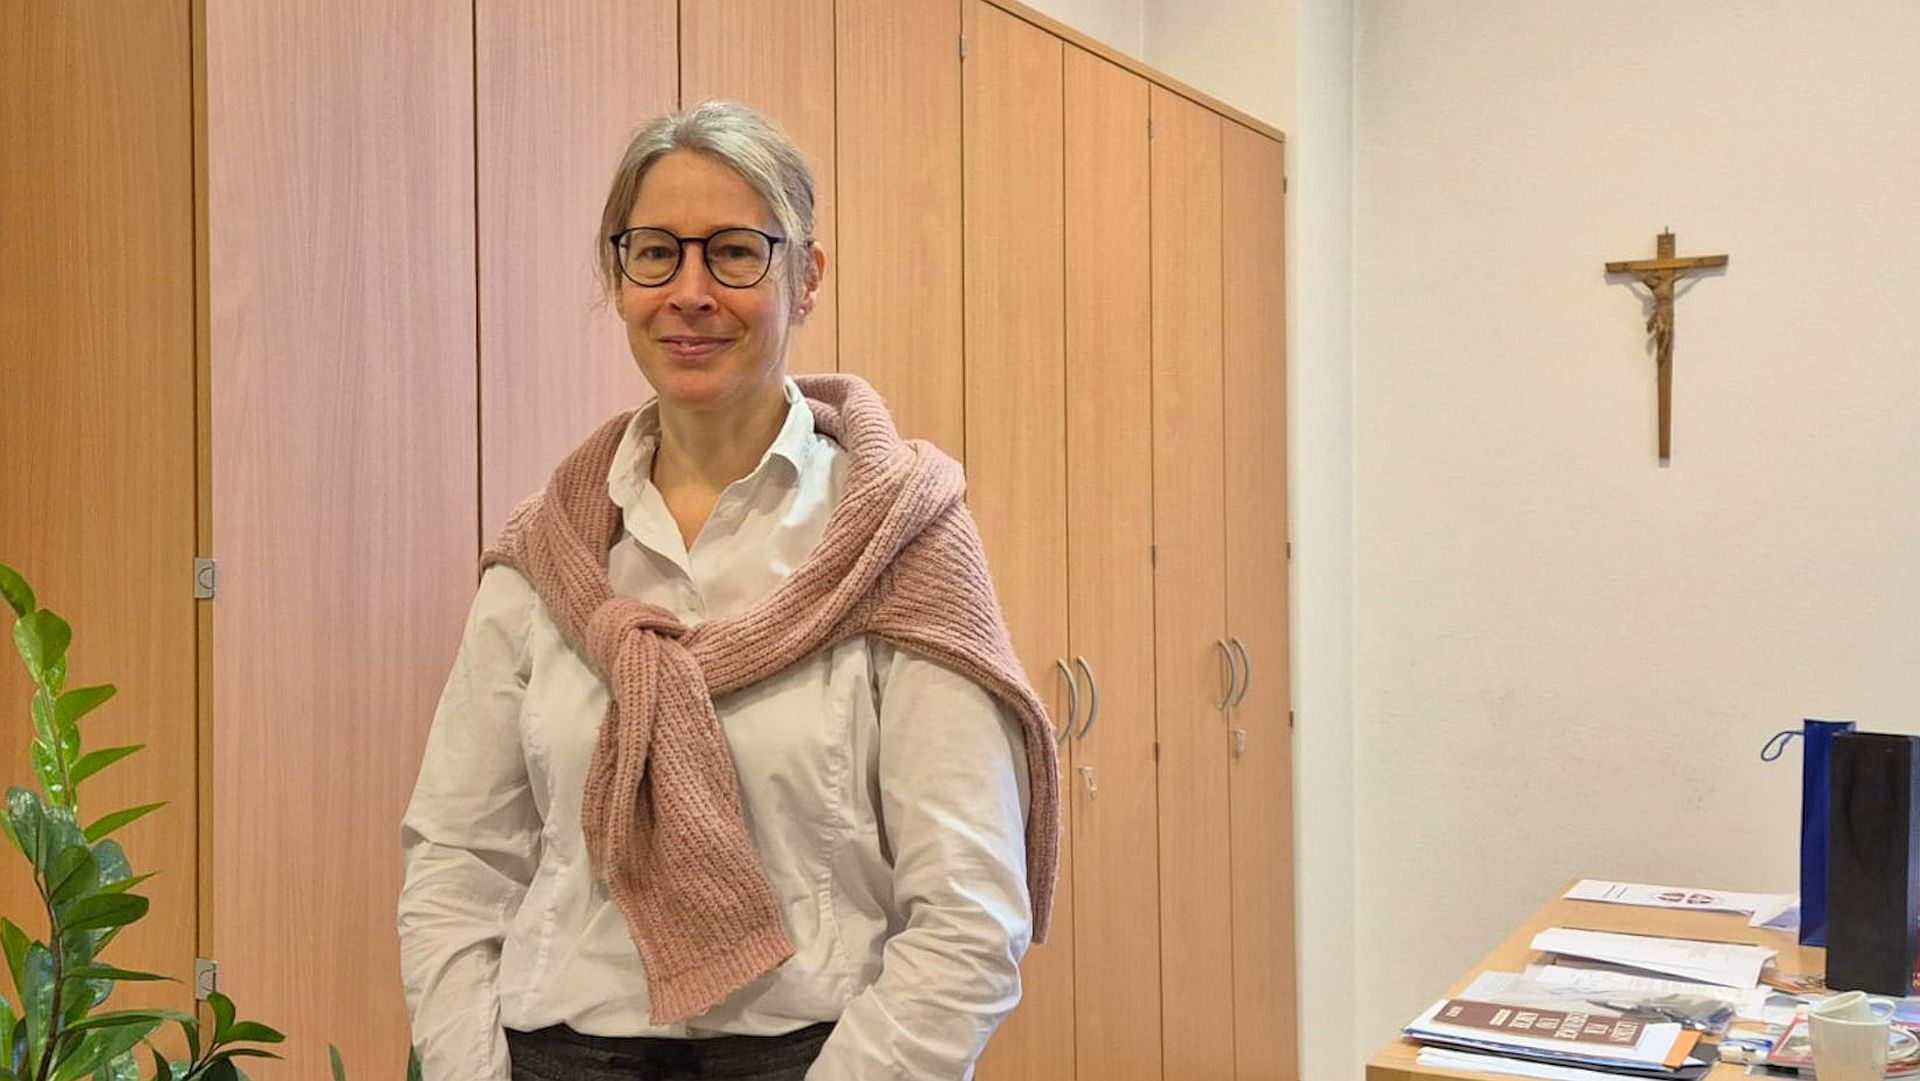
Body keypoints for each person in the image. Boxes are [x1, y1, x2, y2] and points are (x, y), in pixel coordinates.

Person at [396, 100, 1060, 1081]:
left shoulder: (898, 539)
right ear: (619, 277)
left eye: (736, 253)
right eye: (656, 253)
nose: (691, 291)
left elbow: (970, 909)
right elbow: (458, 858)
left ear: (807, 276)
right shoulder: (547, 556)